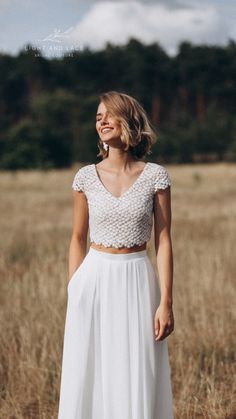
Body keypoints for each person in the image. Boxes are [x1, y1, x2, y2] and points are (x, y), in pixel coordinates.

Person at [57, 91, 174, 419]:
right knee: (90, 369)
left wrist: (166, 302)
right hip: (93, 281)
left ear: (130, 122)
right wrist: (74, 288)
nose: (102, 121)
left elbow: (163, 240)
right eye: (98, 117)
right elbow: (77, 238)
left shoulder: (155, 176)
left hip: (138, 280)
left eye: (109, 115)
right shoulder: (85, 177)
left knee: (136, 369)